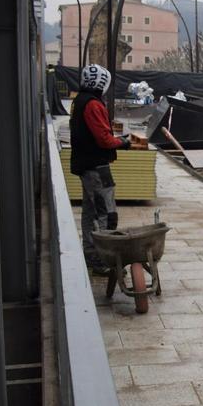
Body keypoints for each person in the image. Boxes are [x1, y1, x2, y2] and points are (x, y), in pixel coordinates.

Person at [70, 64, 130, 274]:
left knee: (89, 212)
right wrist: (122, 142)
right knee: (105, 214)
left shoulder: (79, 100)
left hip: (86, 165)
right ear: (101, 83)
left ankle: (90, 255)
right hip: (96, 167)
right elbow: (104, 139)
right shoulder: (93, 105)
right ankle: (104, 260)